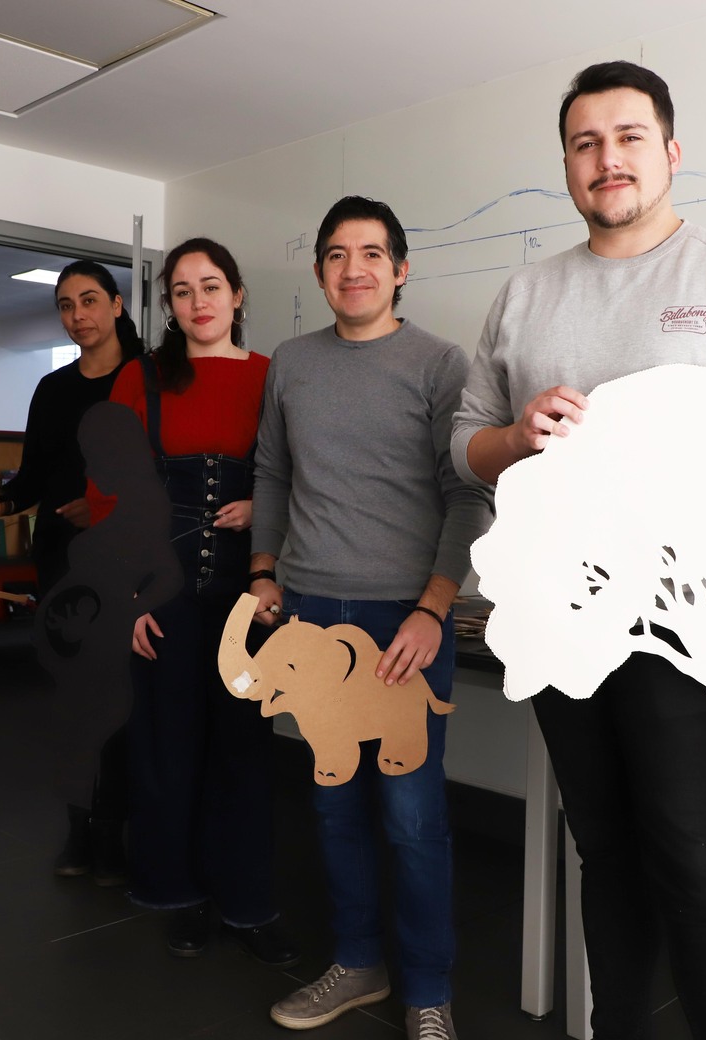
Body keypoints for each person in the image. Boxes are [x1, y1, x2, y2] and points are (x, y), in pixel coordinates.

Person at [451, 61, 706, 1040]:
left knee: (691, 856)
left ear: (671, 152)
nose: (606, 159)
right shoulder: (525, 294)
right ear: (567, 166)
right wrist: (515, 435)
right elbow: (465, 440)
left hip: (691, 624)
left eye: (627, 138)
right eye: (585, 143)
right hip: (564, 615)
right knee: (604, 850)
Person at [251, 196, 493, 1040]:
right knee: (332, 805)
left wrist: (434, 609)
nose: (353, 269)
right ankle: (357, 963)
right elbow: (272, 473)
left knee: (411, 816)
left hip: (402, 621)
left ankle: (428, 990)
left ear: (400, 269)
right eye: (336, 255)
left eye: (371, 254)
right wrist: (263, 572)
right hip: (310, 616)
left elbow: (468, 493)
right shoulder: (292, 362)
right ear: (320, 270)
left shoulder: (439, 363)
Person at [88, 237, 297, 967]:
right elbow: (109, 493)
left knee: (242, 746)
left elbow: (302, 473)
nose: (198, 301)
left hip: (252, 588)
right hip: (161, 586)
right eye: (182, 291)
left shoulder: (273, 375)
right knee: (166, 744)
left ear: (237, 294)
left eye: (211, 286)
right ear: (169, 306)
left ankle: (246, 901)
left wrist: (262, 506)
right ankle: (178, 892)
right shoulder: (139, 378)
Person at [0, 259, 143, 885]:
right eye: (66, 305)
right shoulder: (53, 388)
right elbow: (34, 476)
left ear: (116, 305)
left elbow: (163, 474)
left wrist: (106, 504)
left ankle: (113, 832)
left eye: (89, 300)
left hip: (128, 560)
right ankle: (78, 828)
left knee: (119, 701)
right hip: (63, 561)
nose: (77, 315)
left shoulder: (147, 379)